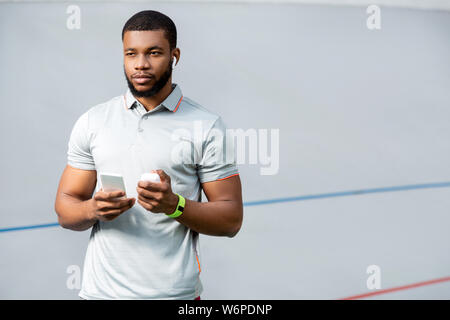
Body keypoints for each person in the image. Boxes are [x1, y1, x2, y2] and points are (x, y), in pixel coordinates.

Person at [54, 10, 243, 300]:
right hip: (99, 295)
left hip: (175, 297)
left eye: (154, 53)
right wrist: (93, 209)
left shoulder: (207, 126)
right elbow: (66, 208)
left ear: (174, 55)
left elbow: (231, 219)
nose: (140, 65)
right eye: (131, 54)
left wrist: (174, 205)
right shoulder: (93, 121)